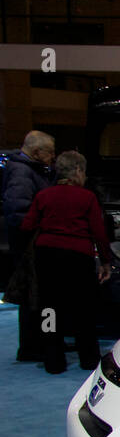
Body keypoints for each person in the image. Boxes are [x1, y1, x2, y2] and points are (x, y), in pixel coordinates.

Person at [21, 151, 111, 374]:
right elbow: (98, 232)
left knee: (49, 308)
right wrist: (105, 261)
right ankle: (88, 358)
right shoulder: (87, 197)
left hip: (47, 256)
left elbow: (27, 226)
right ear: (78, 171)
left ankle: (53, 359)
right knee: (83, 309)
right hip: (78, 257)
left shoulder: (43, 195)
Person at [2, 130, 55, 361]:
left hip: (29, 242)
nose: (53, 157)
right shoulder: (22, 173)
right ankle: (34, 346)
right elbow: (18, 212)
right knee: (34, 297)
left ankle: (39, 344)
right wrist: (40, 227)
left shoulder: (27, 170)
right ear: (36, 152)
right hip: (29, 245)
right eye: (50, 152)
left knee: (35, 297)